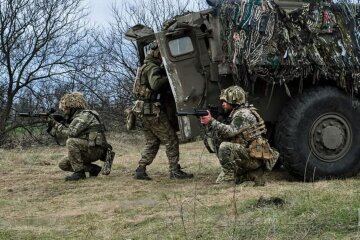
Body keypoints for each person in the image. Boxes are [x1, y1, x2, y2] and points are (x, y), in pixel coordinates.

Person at [132, 41, 193, 180]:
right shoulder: (152, 67)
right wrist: (170, 77)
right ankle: (174, 170)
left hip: (144, 111)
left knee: (153, 142)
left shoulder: (145, 66)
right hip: (153, 111)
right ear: (156, 53)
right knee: (171, 139)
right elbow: (156, 84)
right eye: (161, 53)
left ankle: (140, 169)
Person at [200, 86, 279, 185]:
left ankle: (229, 178)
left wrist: (211, 121)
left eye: (226, 101)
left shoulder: (243, 114)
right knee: (220, 140)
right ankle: (252, 175)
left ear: (235, 101)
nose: (223, 104)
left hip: (253, 158)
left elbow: (230, 131)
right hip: (249, 155)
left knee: (225, 147)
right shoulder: (236, 112)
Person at [48, 92, 115, 181]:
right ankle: (93, 169)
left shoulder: (85, 115)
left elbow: (71, 133)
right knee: (63, 164)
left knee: (71, 141)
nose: (64, 110)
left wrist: (54, 124)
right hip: (88, 149)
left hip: (95, 150)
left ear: (72, 107)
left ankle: (79, 173)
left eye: (66, 108)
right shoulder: (78, 117)